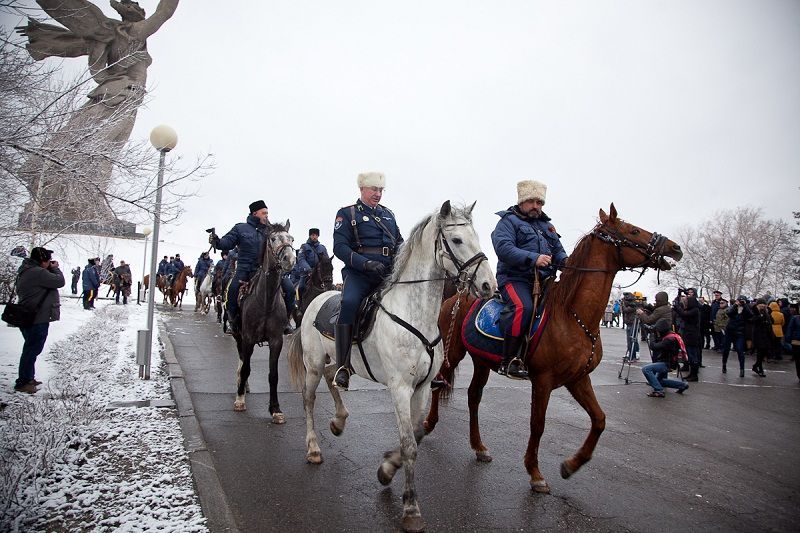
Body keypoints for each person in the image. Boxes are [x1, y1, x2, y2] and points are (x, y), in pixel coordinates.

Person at [332, 172, 403, 390]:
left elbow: (400, 243)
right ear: (362, 189)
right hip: (359, 274)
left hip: (387, 274)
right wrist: (365, 263)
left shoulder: (388, 215)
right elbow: (340, 248)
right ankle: (343, 366)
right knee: (350, 303)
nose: (378, 194)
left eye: (381, 190)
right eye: (374, 189)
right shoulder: (347, 214)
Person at [491, 179, 567, 379]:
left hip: (544, 281)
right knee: (523, 307)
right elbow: (504, 249)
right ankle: (508, 361)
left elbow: (558, 252)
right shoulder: (507, 222)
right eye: (532, 201)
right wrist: (534, 259)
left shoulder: (547, 226)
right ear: (522, 201)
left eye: (540, 203)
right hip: (514, 279)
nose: (536, 206)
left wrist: (568, 264)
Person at [209, 200, 271, 329]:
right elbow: (227, 243)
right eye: (264, 213)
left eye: (267, 213)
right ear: (255, 213)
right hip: (245, 269)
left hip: (264, 270)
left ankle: (285, 321)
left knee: (288, 287)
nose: (267, 215)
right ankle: (232, 319)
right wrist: (217, 242)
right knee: (232, 290)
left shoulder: (270, 231)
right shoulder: (240, 228)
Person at [13, 247, 65, 393]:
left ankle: (28, 377)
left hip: (31, 315)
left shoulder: (28, 270)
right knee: (31, 350)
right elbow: (59, 281)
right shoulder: (37, 272)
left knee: (31, 349)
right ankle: (23, 381)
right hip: (37, 317)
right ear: (42, 261)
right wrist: (55, 269)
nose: (49, 263)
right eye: (48, 261)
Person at [641, 318, 690, 397]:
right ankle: (682, 385)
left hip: (667, 363)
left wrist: (652, 334)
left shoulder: (669, 340)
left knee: (646, 369)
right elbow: (660, 342)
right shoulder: (672, 335)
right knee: (658, 381)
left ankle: (659, 390)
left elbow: (654, 346)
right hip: (670, 362)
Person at [673, 290, 702, 381]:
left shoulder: (694, 310)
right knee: (689, 354)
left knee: (692, 355)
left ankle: (694, 375)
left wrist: (677, 307)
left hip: (692, 335)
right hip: (689, 334)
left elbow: (684, 314)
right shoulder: (691, 310)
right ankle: (692, 373)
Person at [723, 296, 753, 377]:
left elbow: (750, 315)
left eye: (742, 301)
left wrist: (745, 305)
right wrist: (736, 305)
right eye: (739, 301)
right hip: (730, 331)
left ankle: (742, 369)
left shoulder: (746, 309)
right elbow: (729, 313)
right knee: (726, 349)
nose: (740, 302)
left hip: (740, 332)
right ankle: (724, 365)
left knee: (740, 350)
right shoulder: (733, 307)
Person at [297, 228, 330, 294]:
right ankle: (300, 304)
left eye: (316, 235)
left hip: (320, 273)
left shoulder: (322, 248)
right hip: (307, 273)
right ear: (310, 236)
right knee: (301, 287)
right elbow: (301, 259)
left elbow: (326, 261)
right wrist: (308, 269)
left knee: (328, 287)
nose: (314, 237)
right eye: (313, 235)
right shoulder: (304, 247)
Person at [750, 299, 772, 377]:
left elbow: (770, 321)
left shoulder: (766, 312)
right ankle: (760, 369)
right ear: (757, 305)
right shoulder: (754, 311)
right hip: (757, 335)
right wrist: (760, 317)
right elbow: (751, 320)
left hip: (766, 335)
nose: (762, 305)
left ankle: (756, 366)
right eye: (761, 304)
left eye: (764, 304)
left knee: (763, 353)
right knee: (760, 353)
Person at [621, 293, 641, 362]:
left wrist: (623, 304)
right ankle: (631, 354)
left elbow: (626, 310)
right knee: (629, 340)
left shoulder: (633, 305)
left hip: (633, 323)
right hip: (629, 323)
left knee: (632, 339)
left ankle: (633, 355)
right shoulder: (630, 304)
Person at [784, 312, 800, 381]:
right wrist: (788, 339)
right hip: (796, 342)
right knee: (798, 360)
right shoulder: (795, 318)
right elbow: (790, 328)